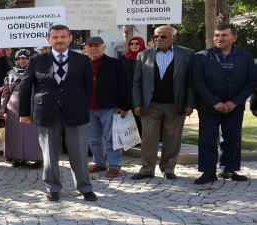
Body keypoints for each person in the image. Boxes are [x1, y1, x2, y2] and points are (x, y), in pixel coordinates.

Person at [18, 24, 96, 202]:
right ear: (48, 40)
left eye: (63, 37)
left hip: (75, 113)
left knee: (79, 153)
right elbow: (25, 86)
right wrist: (24, 112)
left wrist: (79, 104)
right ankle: (52, 188)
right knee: (49, 154)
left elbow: (88, 87)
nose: (59, 40)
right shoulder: (37, 60)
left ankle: (85, 187)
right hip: (46, 112)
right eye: (55, 37)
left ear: (70, 38)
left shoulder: (82, 60)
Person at [192, 24, 256, 184]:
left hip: (235, 106)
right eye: (217, 35)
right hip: (209, 106)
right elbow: (197, 82)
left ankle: (228, 169)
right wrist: (215, 102)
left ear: (234, 38)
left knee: (232, 138)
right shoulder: (201, 56)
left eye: (224, 35)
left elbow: (251, 81)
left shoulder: (246, 57)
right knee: (207, 139)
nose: (219, 38)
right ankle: (208, 172)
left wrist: (235, 101)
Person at [131, 26, 196, 180]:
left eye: (163, 37)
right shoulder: (143, 55)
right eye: (156, 37)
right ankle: (147, 169)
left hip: (176, 104)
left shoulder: (187, 54)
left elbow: (191, 82)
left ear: (174, 37)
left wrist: (190, 103)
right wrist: (137, 103)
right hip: (150, 104)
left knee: (172, 138)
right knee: (148, 138)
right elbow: (137, 82)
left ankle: (168, 168)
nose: (158, 40)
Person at [84, 37, 131, 178]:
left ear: (103, 47)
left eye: (96, 46)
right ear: (85, 49)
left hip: (110, 108)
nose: (93, 48)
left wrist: (124, 106)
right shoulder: (82, 64)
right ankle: (99, 163)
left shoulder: (115, 64)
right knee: (93, 139)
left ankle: (114, 166)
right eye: (90, 46)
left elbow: (124, 85)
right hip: (88, 109)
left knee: (112, 139)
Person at [0, 49, 43, 168]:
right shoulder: (10, 73)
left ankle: (38, 158)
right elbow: (6, 92)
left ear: (29, 59)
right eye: (18, 58)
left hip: (32, 107)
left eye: (24, 58)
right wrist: (2, 107)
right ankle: (17, 158)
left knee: (33, 134)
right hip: (14, 108)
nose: (21, 60)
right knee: (15, 134)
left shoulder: (37, 71)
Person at [119, 36, 147, 138]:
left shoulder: (148, 58)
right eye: (132, 43)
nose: (134, 45)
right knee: (130, 116)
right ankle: (132, 138)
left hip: (143, 91)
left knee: (142, 114)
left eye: (137, 43)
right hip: (127, 91)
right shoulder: (122, 59)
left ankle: (144, 137)